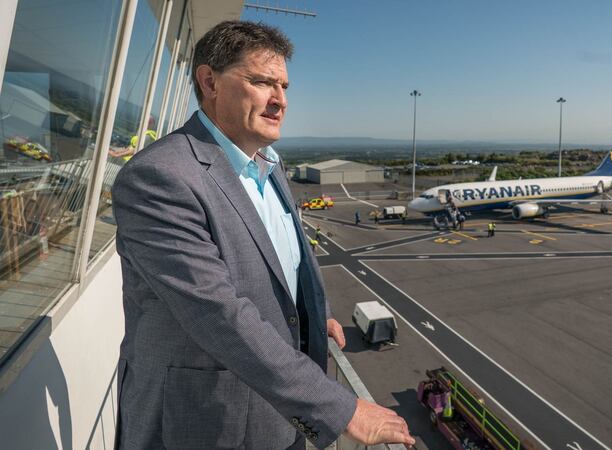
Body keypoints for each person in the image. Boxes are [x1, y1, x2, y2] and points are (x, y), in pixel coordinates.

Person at [112, 21, 413, 450]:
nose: (280, 100)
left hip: (279, 419)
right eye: (262, 82)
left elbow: (284, 259)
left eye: (284, 86)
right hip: (203, 423)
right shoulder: (158, 177)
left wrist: (310, 313)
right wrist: (340, 408)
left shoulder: (269, 164)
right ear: (209, 81)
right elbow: (217, 313)